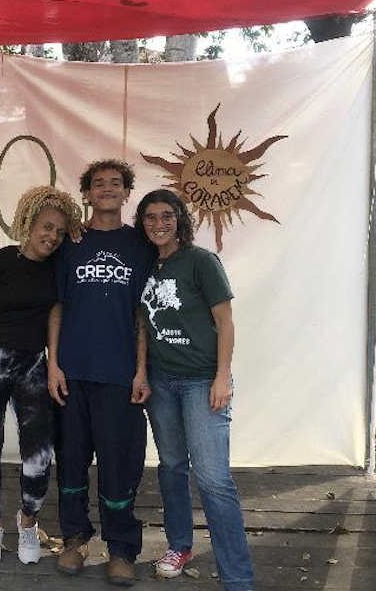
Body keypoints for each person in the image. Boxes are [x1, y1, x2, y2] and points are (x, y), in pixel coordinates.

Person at [0, 185, 82, 566]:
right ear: (29, 222)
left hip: (32, 365)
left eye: (60, 231)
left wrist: (75, 226)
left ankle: (27, 523)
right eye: (47, 227)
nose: (52, 236)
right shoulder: (1, 260)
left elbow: (56, 310)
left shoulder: (58, 267)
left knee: (39, 454)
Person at [134, 188, 254, 591]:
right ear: (142, 223)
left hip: (202, 380)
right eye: (150, 217)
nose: (159, 224)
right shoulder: (145, 265)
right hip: (161, 380)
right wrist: (142, 373)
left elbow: (225, 321)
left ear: (180, 219)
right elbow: (142, 323)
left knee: (214, 479)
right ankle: (179, 546)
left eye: (167, 216)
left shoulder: (201, 261)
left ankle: (237, 576)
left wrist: (223, 376)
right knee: (171, 466)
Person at [47, 160, 154, 586]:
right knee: (71, 463)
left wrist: (141, 370)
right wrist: (53, 363)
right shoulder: (69, 243)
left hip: (120, 376)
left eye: (116, 183)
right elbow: (57, 306)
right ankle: (74, 539)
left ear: (127, 193)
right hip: (72, 373)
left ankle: (122, 548)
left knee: (119, 467)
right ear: (87, 194)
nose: (107, 188)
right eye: (98, 183)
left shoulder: (141, 245)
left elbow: (143, 314)